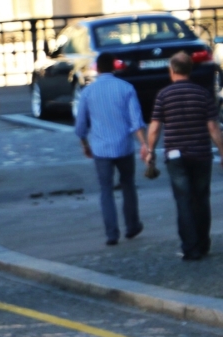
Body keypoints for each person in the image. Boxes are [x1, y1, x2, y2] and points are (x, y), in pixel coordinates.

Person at [145, 51, 223, 261]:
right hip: (201, 154)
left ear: (172, 71)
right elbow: (214, 128)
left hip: (175, 156)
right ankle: (203, 243)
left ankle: (190, 248)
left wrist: (150, 151)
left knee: (184, 201)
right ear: (189, 70)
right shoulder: (203, 94)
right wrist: (222, 152)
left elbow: (154, 128)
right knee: (201, 199)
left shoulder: (164, 95)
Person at [75, 53, 146, 247]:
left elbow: (81, 125)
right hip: (124, 146)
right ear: (114, 66)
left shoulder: (88, 92)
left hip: (100, 148)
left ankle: (111, 234)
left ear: (97, 68)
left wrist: (85, 144)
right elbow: (136, 122)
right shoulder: (126, 88)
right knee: (128, 185)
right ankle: (132, 226)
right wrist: (144, 145)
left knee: (105, 190)